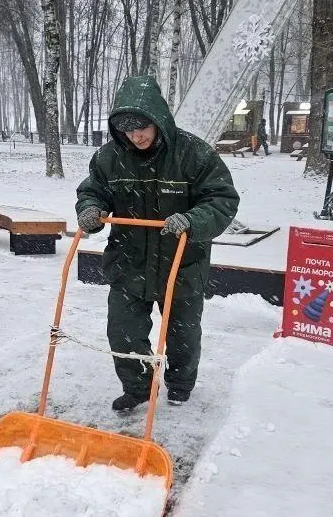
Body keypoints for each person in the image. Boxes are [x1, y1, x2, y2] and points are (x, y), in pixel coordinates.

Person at [75, 75, 240, 411]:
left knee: (182, 335)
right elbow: (93, 190)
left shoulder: (193, 154)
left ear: (158, 119)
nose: (136, 136)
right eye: (127, 130)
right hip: (128, 262)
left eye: (142, 127)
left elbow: (222, 199)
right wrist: (90, 209)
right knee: (123, 332)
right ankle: (137, 388)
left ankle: (180, 383)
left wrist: (192, 221)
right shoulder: (109, 158)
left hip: (181, 264)